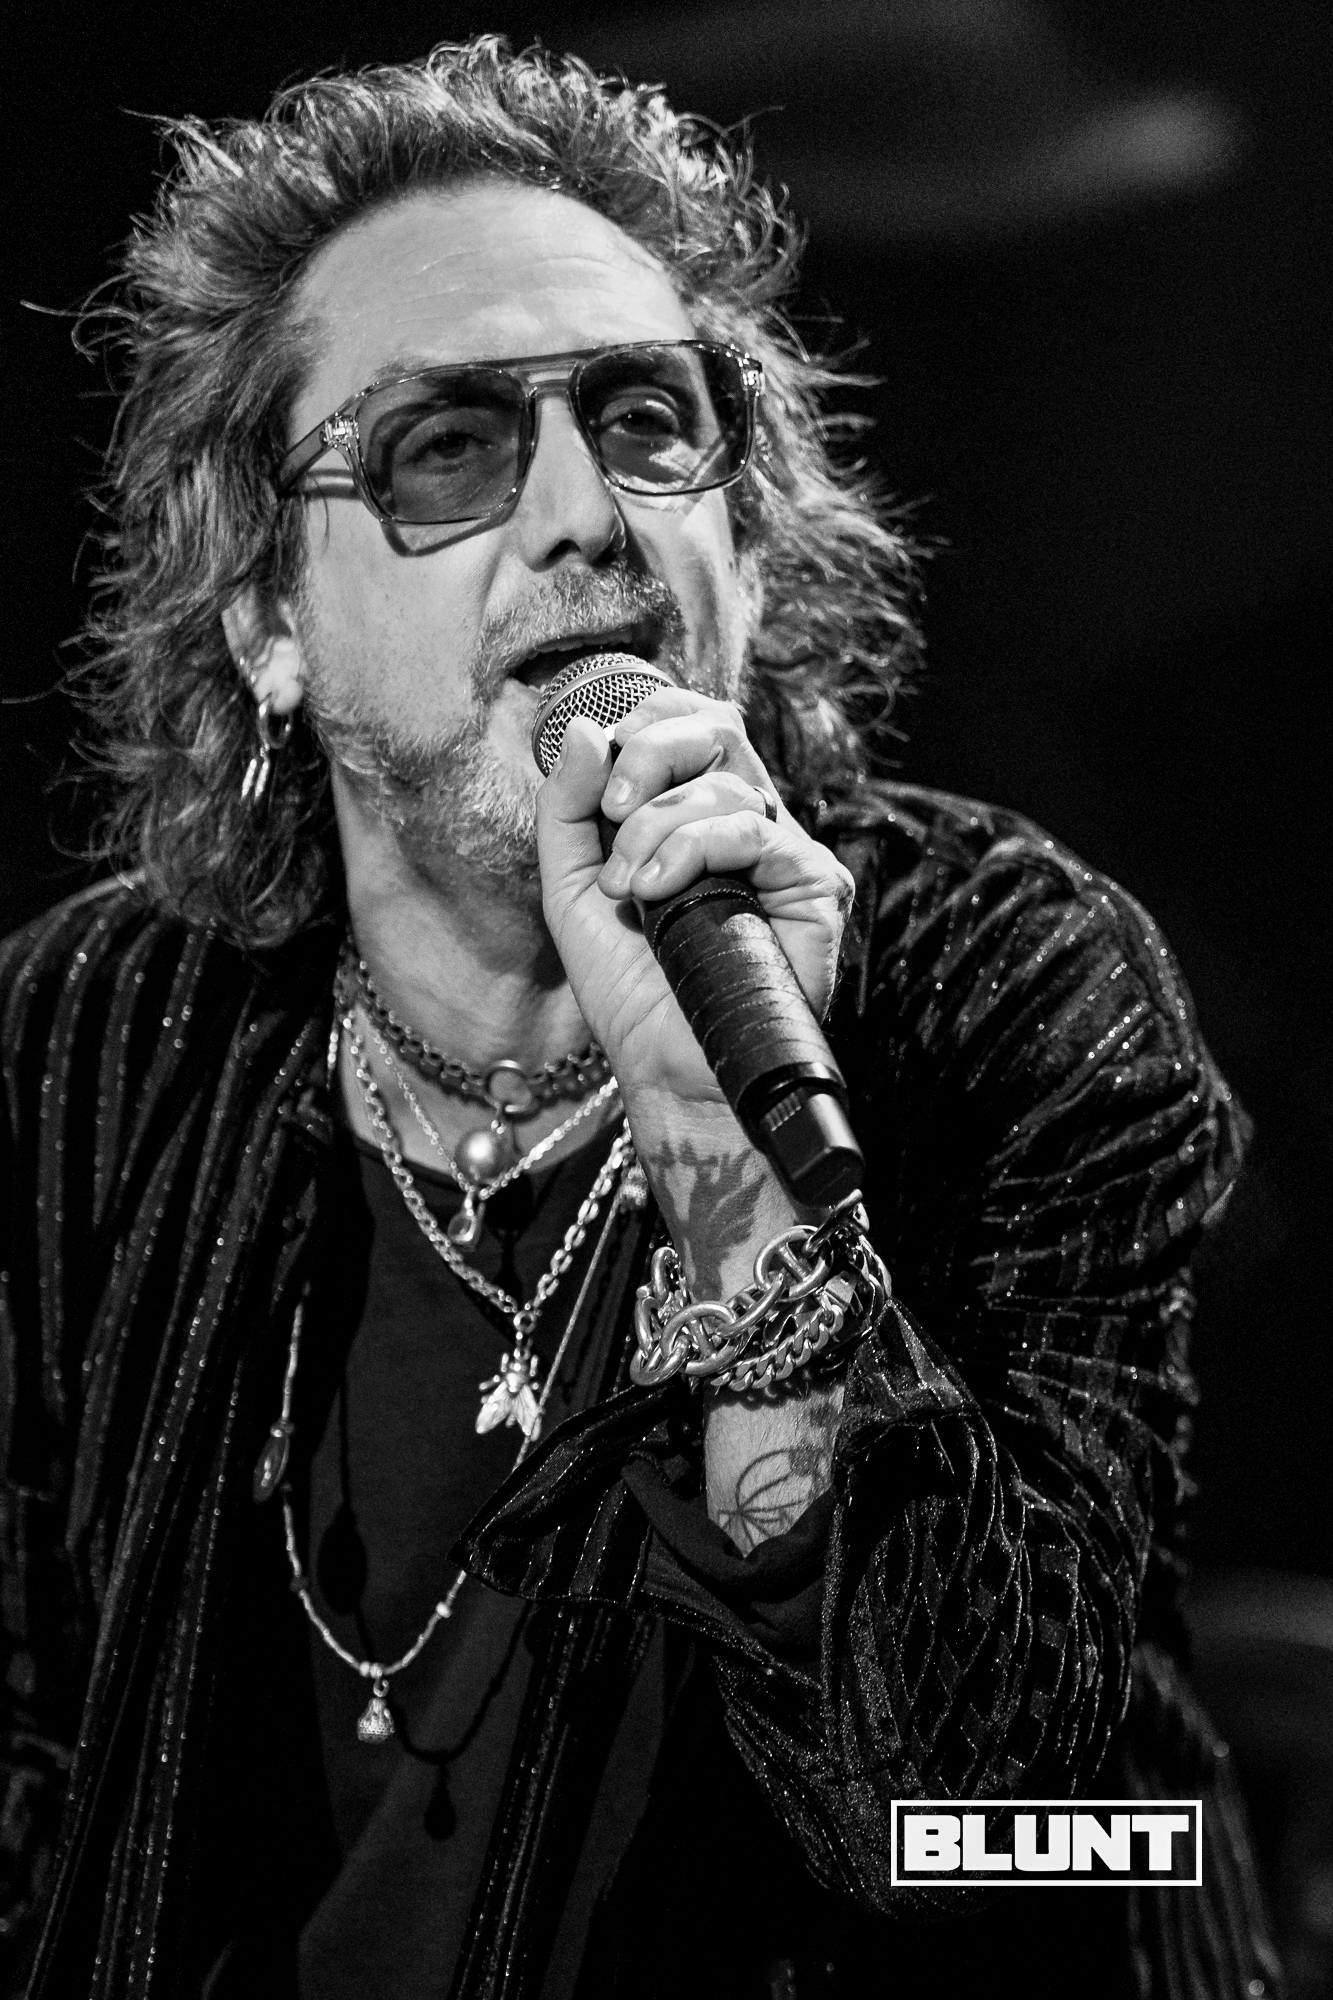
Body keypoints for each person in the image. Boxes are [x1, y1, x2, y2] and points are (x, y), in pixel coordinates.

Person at [0, 37, 1282, 2000]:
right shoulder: (94, 1037)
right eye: (448, 447)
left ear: (744, 553)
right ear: (265, 615)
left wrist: (715, 1140)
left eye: (646, 420)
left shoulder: (1004, 982)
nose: (584, 513)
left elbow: (971, 1826)